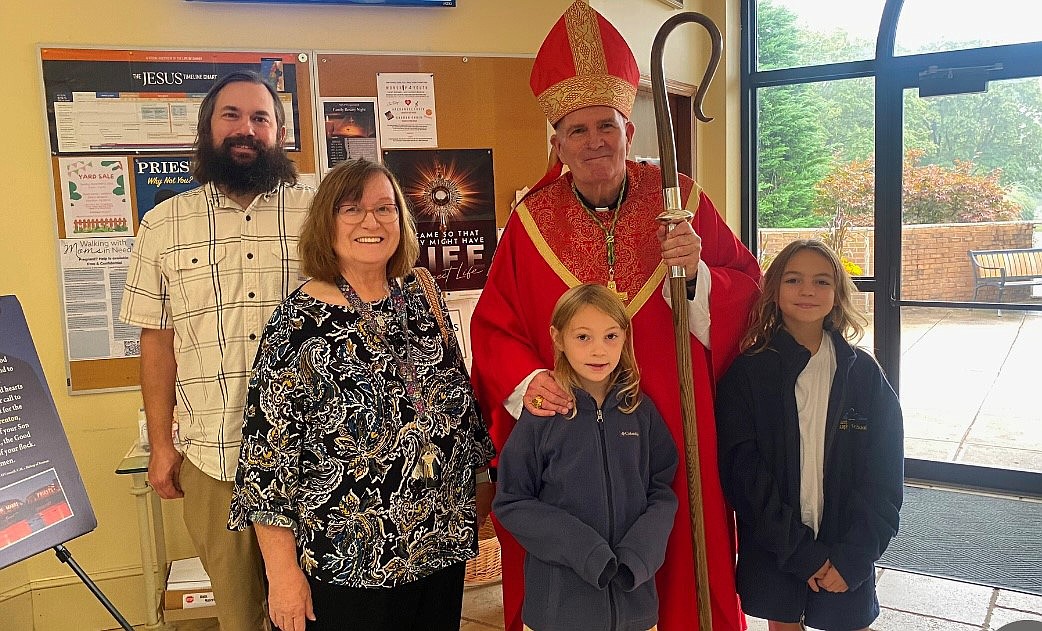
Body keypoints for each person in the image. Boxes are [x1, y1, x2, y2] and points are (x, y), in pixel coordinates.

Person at [469, 3, 762, 630]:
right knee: (579, 567)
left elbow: (749, 293)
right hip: (569, 433)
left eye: (607, 125)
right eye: (578, 130)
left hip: (672, 429)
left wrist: (699, 275)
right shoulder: (529, 223)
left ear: (631, 129)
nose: (595, 141)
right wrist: (528, 383)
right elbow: (496, 327)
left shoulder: (682, 203)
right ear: (557, 142)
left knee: (679, 545)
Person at [228, 158, 496, 631]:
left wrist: (479, 500)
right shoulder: (297, 324)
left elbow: (461, 413)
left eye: (385, 208)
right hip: (348, 565)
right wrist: (283, 573)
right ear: (326, 223)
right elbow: (267, 463)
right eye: (351, 209)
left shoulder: (421, 297)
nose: (371, 222)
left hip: (439, 548)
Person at [119, 70, 315, 631]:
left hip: (313, 456)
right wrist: (161, 445)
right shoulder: (162, 225)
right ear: (207, 127)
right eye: (231, 116)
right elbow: (157, 342)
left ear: (279, 132)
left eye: (261, 118)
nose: (245, 129)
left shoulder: (322, 214)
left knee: (316, 608)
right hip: (213, 454)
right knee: (239, 614)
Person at [715, 239, 904, 631]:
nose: (807, 291)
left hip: (847, 549)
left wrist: (855, 557)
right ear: (773, 290)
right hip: (777, 549)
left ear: (837, 294)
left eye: (821, 281)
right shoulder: (747, 374)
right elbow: (744, 476)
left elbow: (884, 476)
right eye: (794, 279)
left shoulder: (864, 376)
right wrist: (802, 555)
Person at [493, 283, 678, 631]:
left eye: (610, 336)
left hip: (635, 604)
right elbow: (512, 501)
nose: (599, 350)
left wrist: (639, 556)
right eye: (583, 337)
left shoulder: (640, 411)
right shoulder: (541, 415)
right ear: (558, 338)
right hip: (559, 611)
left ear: (625, 337)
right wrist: (585, 550)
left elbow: (662, 490)